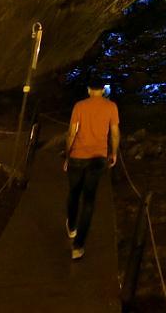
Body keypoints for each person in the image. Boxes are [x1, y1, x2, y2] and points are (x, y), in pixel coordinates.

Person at [64, 80, 120, 260]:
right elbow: (114, 132)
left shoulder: (79, 106)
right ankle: (78, 247)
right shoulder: (111, 107)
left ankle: (71, 226)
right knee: (89, 200)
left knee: (74, 193)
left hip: (78, 157)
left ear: (88, 89)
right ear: (103, 90)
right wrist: (113, 153)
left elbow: (72, 132)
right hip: (98, 158)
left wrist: (67, 156)